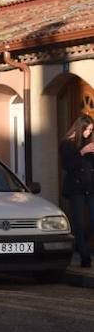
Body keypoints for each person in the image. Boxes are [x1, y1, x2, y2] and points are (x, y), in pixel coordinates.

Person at [59, 114, 94, 268]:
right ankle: (85, 257)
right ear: (81, 128)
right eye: (88, 130)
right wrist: (81, 152)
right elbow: (67, 166)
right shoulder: (67, 143)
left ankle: (80, 244)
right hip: (76, 189)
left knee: (92, 220)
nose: (89, 133)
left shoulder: (88, 142)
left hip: (90, 187)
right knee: (78, 222)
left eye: (91, 130)